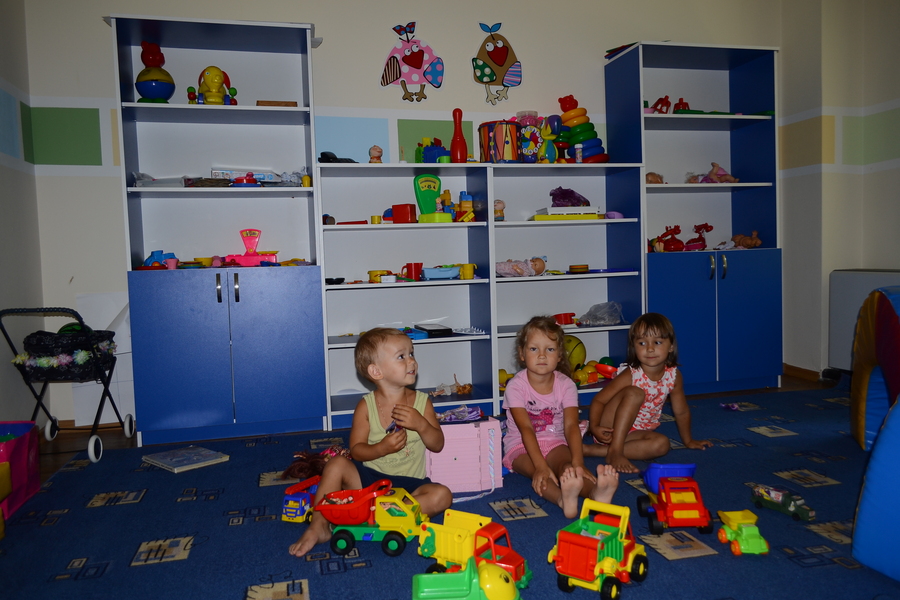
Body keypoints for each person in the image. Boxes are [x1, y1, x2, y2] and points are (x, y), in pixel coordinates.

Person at [289, 328, 452, 557]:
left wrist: (422, 425)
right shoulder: (366, 406)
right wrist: (381, 448)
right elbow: (356, 451)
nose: (412, 361)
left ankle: (378, 514)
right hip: (369, 484)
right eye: (401, 356)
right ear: (376, 371)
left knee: (443, 495)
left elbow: (438, 444)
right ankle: (319, 526)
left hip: (410, 487)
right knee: (336, 464)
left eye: (411, 353)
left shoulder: (422, 402)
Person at [502, 316, 620, 519]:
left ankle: (596, 494)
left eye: (549, 349)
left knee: (569, 469)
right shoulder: (515, 386)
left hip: (555, 441)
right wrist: (541, 466)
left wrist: (578, 462)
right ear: (522, 353)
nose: (541, 355)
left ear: (559, 356)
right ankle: (563, 500)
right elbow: (526, 429)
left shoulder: (566, 385)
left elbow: (571, 426)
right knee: (539, 473)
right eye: (534, 349)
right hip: (520, 445)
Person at [584, 313, 713, 473]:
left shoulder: (674, 376)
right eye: (642, 343)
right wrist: (595, 427)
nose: (650, 349)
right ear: (634, 347)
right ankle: (615, 451)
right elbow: (599, 400)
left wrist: (688, 441)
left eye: (657, 342)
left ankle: (595, 451)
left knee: (662, 444)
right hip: (611, 428)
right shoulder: (631, 374)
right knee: (635, 393)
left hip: (635, 433)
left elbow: (681, 412)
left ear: (671, 346)